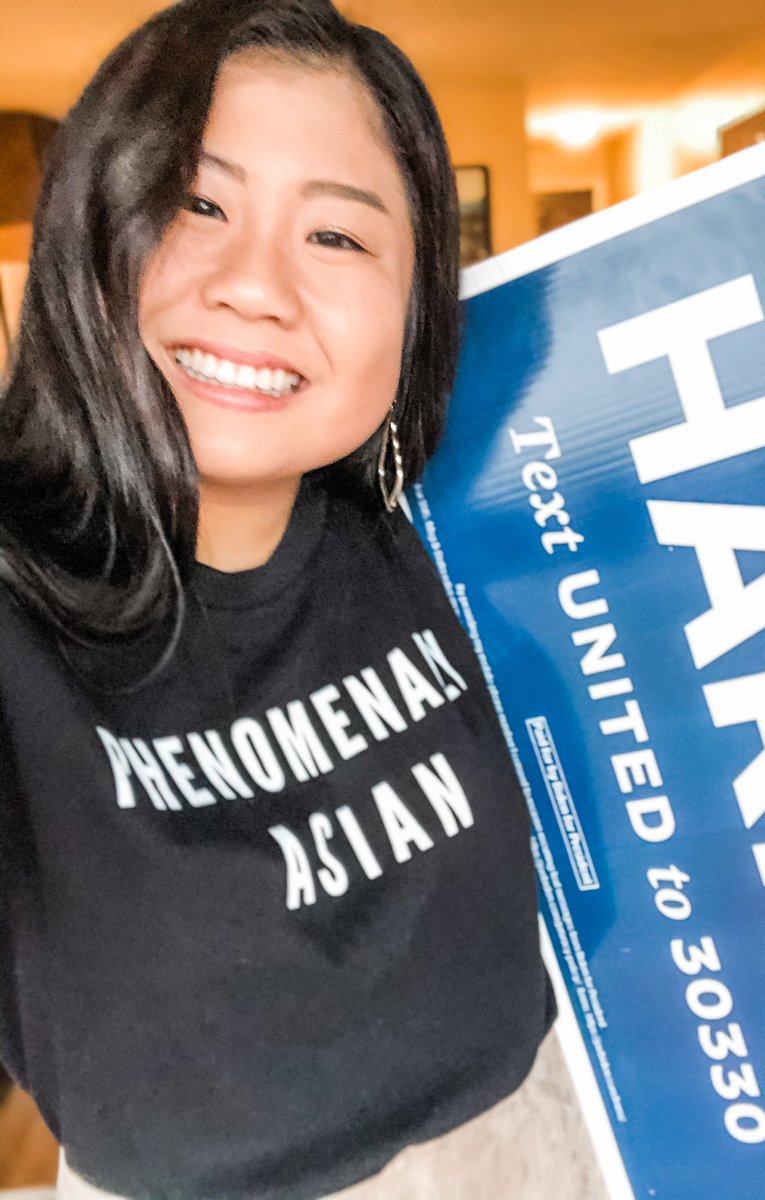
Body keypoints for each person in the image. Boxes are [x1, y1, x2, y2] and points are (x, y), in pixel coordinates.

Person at [0, 1, 556, 1197]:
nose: (254, 287)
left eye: (339, 239)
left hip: (555, 1138)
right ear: (91, 220)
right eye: (196, 204)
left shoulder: (459, 546)